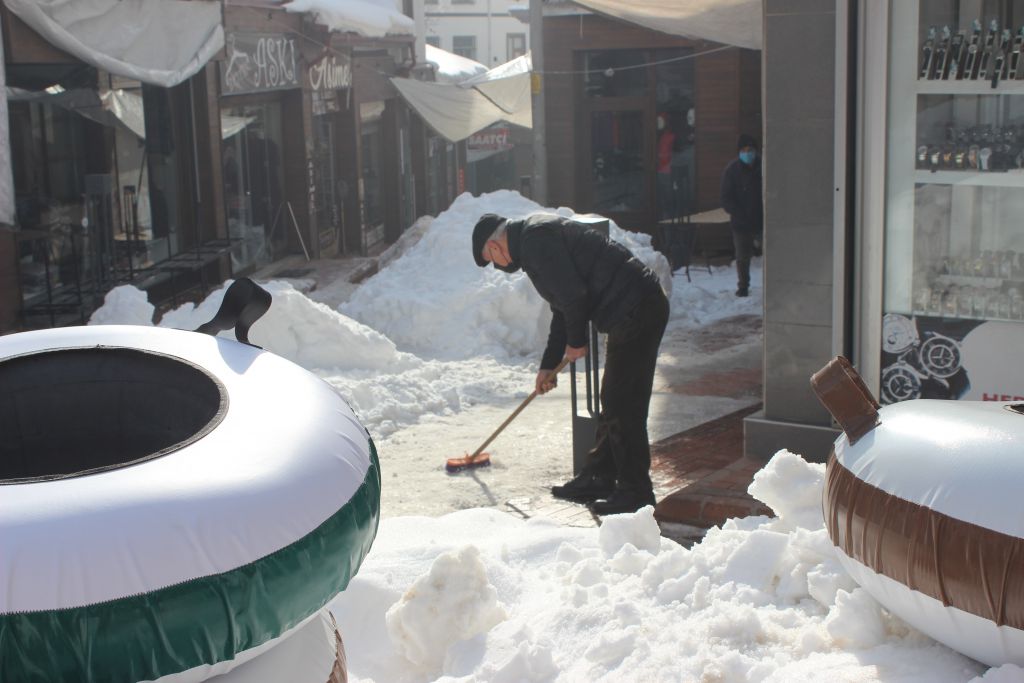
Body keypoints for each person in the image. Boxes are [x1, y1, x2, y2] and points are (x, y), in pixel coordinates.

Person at [472, 213, 669, 515]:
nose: (499, 267)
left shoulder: (535, 241)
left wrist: (576, 341)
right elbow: (562, 307)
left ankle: (636, 492)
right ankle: (599, 477)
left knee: (623, 403)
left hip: (636, 308)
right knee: (614, 399)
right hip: (633, 308)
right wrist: (547, 366)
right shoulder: (532, 239)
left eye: (491, 259)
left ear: (496, 245)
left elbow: (574, 295)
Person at [720, 133, 763, 297]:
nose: (747, 153)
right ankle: (743, 286)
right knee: (742, 257)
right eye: (744, 150)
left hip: (762, 220)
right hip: (741, 222)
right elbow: (725, 198)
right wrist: (739, 213)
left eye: (750, 149)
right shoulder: (732, 171)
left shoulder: (763, 166)